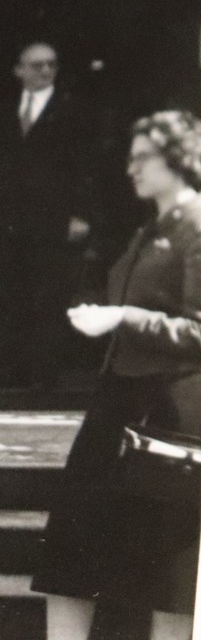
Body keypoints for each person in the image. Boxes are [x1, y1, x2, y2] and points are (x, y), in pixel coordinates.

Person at [28, 111, 201, 640]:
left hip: (166, 410)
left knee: (167, 560)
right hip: (122, 397)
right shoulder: (155, 227)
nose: (131, 167)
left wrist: (123, 318)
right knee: (72, 539)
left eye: (143, 157)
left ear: (179, 159)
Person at [0, 41, 95, 389]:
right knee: (11, 294)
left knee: (48, 296)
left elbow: (89, 166)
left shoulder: (74, 111)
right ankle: (10, 377)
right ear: (18, 70)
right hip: (9, 223)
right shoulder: (7, 109)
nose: (45, 71)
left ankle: (43, 380)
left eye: (51, 65)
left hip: (54, 221)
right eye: (36, 65)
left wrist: (81, 214)